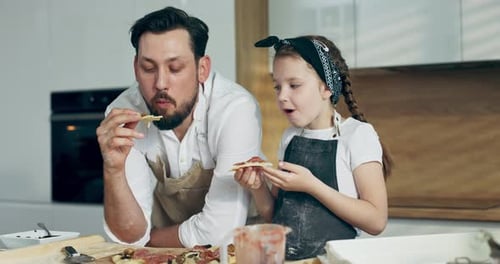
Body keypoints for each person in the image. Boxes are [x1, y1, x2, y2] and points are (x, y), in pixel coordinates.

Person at [96, 6, 263, 248]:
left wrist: (150, 241)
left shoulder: (235, 109)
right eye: (148, 68)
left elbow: (219, 232)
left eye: (175, 68)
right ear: (135, 68)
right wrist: (113, 170)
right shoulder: (123, 115)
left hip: (239, 251)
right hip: (166, 255)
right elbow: (129, 238)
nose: (160, 83)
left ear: (202, 69)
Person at [234, 35, 393, 260]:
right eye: (277, 87)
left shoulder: (357, 135)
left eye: (294, 85)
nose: (282, 96)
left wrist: (312, 186)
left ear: (326, 88)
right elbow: (276, 218)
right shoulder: (290, 137)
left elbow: (377, 221)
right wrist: (258, 187)